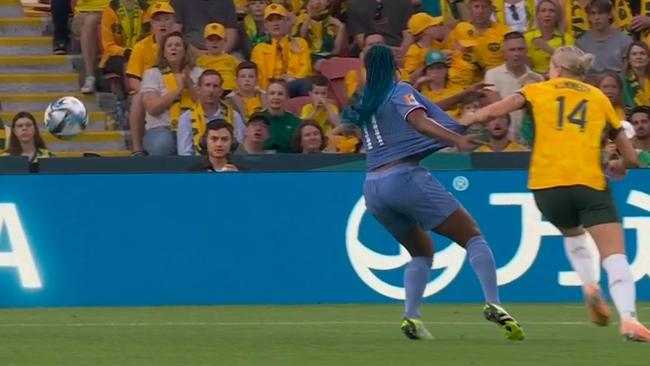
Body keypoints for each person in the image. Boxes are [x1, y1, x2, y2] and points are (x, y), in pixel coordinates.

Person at [461, 45, 650, 342]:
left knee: (574, 235)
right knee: (614, 255)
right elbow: (630, 153)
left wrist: (468, 119)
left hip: (546, 185)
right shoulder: (598, 97)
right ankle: (629, 319)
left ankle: (589, 285)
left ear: (557, 69)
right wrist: (621, 165)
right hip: (588, 182)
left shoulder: (538, 90)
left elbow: (497, 109)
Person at [356, 44, 525, 341]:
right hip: (403, 177)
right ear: (391, 65)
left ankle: (412, 317)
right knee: (472, 236)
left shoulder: (366, 101)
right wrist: (455, 140)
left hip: (373, 187)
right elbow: (419, 120)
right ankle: (494, 302)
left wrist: (461, 96)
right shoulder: (398, 90)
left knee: (421, 251)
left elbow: (420, 108)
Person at [141, 32, 203, 155]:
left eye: (178, 45)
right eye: (169, 45)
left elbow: (207, 105)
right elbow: (152, 108)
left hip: (195, 126)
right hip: (162, 127)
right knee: (162, 145)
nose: (173, 48)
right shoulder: (152, 74)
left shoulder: (199, 73)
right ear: (163, 52)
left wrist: (190, 86)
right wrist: (178, 90)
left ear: (185, 51)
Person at [177, 69, 245, 156]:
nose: (211, 90)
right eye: (207, 85)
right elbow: (184, 154)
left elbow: (239, 148)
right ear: (198, 89)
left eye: (215, 86)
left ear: (221, 91)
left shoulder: (234, 116)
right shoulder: (186, 118)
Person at [574, 0, 632, 79]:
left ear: (610, 15)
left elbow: (626, 73)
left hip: (616, 87)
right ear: (588, 17)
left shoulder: (625, 41)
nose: (596, 18)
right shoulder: (580, 44)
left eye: (600, 13)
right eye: (592, 13)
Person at [525, 0, 574, 75]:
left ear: (557, 15)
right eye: (543, 11)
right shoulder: (528, 37)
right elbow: (526, 67)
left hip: (558, 78)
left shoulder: (566, 38)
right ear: (538, 14)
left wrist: (548, 49)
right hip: (535, 78)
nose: (547, 14)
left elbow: (570, 64)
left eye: (552, 11)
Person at [621, 41, 650, 110]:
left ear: (649, 58)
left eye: (642, 53)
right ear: (629, 59)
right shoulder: (622, 81)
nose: (638, 57)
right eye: (634, 54)